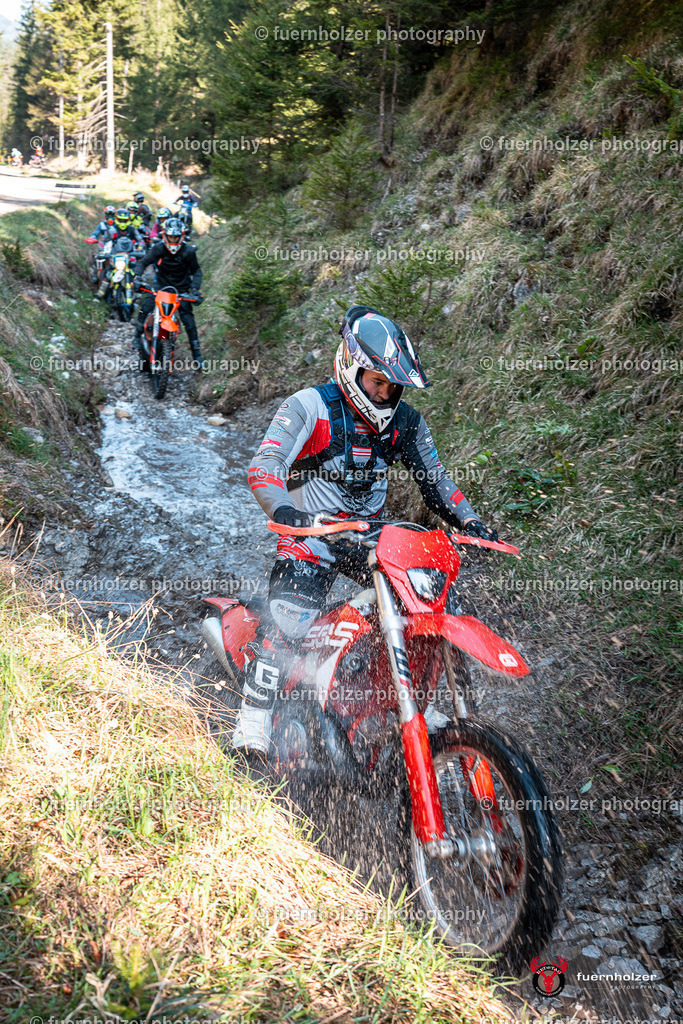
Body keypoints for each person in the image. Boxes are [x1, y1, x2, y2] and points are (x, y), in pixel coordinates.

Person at [232, 304, 499, 760]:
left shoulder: (407, 422)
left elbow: (434, 481)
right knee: (288, 620)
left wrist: (471, 521)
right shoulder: (309, 406)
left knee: (431, 598)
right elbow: (264, 466)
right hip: (312, 534)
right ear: (351, 368)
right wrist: (285, 510)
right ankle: (252, 716)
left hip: (371, 540)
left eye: (393, 386)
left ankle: (412, 702)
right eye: (377, 382)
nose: (385, 394)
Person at [132, 215, 204, 367]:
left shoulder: (188, 252)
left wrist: (196, 290)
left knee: (189, 321)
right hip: (161, 286)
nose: (172, 240)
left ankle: (197, 356)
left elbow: (196, 271)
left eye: (175, 237)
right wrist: (137, 277)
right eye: (170, 237)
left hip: (182, 289)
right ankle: (137, 336)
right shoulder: (159, 248)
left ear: (182, 236)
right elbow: (144, 262)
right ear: (164, 235)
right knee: (146, 307)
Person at [96, 209, 144, 297]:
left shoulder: (132, 229)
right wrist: (101, 250)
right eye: (121, 220)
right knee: (110, 270)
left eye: (124, 220)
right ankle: (102, 290)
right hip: (115, 254)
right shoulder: (112, 229)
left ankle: (136, 289)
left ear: (128, 220)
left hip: (130, 254)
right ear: (117, 219)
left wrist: (140, 248)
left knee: (135, 269)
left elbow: (140, 240)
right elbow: (102, 240)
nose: (122, 222)